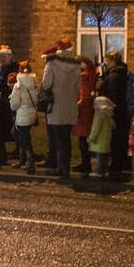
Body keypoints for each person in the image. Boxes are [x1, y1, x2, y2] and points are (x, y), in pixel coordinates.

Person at [41, 37, 81, 178]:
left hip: (56, 105)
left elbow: (46, 84)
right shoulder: (77, 64)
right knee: (66, 139)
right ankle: (66, 167)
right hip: (70, 106)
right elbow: (78, 87)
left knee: (57, 139)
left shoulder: (51, 63)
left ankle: (60, 167)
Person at [99, 50, 130, 178]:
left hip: (115, 111)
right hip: (120, 110)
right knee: (118, 139)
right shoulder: (118, 73)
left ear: (112, 61)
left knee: (116, 140)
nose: (106, 63)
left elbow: (112, 95)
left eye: (107, 61)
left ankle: (116, 166)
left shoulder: (114, 76)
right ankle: (117, 164)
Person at [8, 61, 38, 173]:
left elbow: (14, 105)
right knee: (22, 136)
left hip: (22, 115)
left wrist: (11, 99)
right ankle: (22, 159)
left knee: (24, 139)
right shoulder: (34, 82)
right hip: (31, 114)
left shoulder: (18, 85)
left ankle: (29, 161)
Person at [73, 56, 99, 175]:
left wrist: (75, 107)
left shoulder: (84, 77)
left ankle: (85, 164)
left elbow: (84, 96)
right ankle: (85, 163)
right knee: (85, 140)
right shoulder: (92, 76)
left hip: (83, 113)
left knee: (83, 140)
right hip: (89, 111)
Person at [88, 96, 115, 179]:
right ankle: (105, 171)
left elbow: (96, 127)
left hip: (99, 139)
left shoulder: (99, 114)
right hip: (106, 138)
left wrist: (91, 137)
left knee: (100, 156)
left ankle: (99, 172)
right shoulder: (108, 113)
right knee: (104, 156)